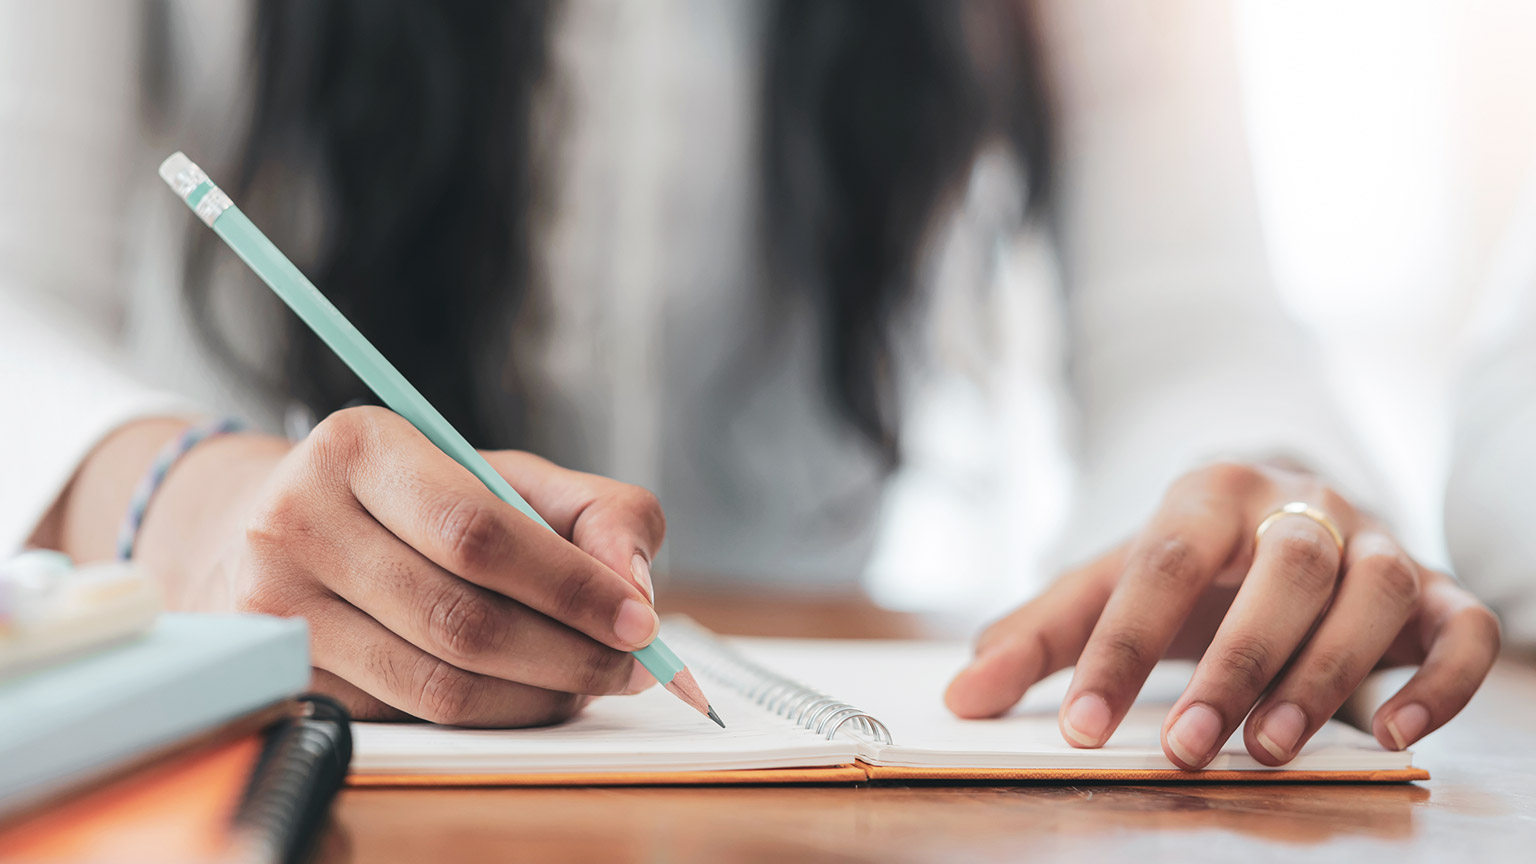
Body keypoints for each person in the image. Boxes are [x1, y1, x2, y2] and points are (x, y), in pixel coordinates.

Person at [0, 0, 1499, 769]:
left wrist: (1246, 511)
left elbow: (1189, 319)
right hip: (274, 729)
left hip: (809, 768)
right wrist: (191, 501)